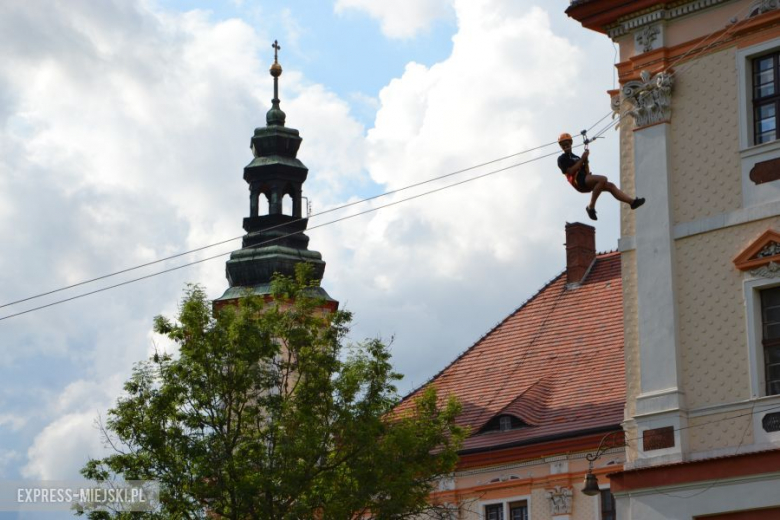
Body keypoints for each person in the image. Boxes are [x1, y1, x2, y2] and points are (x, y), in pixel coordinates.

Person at [557, 132, 645, 221]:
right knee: (603, 179)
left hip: (585, 179)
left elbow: (586, 171)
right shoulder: (561, 159)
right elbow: (571, 171)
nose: (565, 147)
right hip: (578, 181)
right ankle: (591, 207)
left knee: (610, 186)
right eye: (563, 145)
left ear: (571, 143)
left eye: (567, 144)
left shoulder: (576, 157)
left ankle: (632, 202)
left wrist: (586, 161)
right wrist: (582, 159)